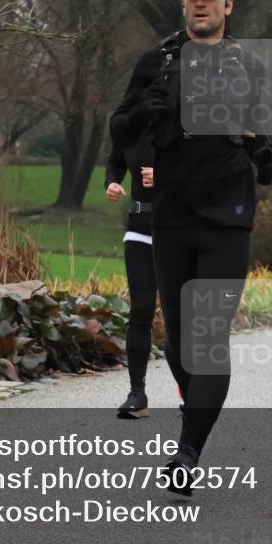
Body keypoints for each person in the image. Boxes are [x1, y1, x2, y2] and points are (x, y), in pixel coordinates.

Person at [108, 0, 272, 493]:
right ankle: (193, 416)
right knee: (180, 342)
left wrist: (264, 154)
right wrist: (142, 112)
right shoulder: (157, 61)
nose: (199, 5)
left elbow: (258, 129)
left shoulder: (248, 66)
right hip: (172, 214)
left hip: (228, 215)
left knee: (208, 338)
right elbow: (118, 126)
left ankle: (188, 452)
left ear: (228, 5)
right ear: (184, 5)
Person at [105, 133, 158, 417]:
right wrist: (111, 183)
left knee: (180, 315)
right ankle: (137, 393)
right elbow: (115, 162)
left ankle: (191, 394)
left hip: (176, 229)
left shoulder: (183, 125)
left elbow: (204, 171)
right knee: (141, 310)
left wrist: (166, 176)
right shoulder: (131, 127)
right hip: (138, 228)